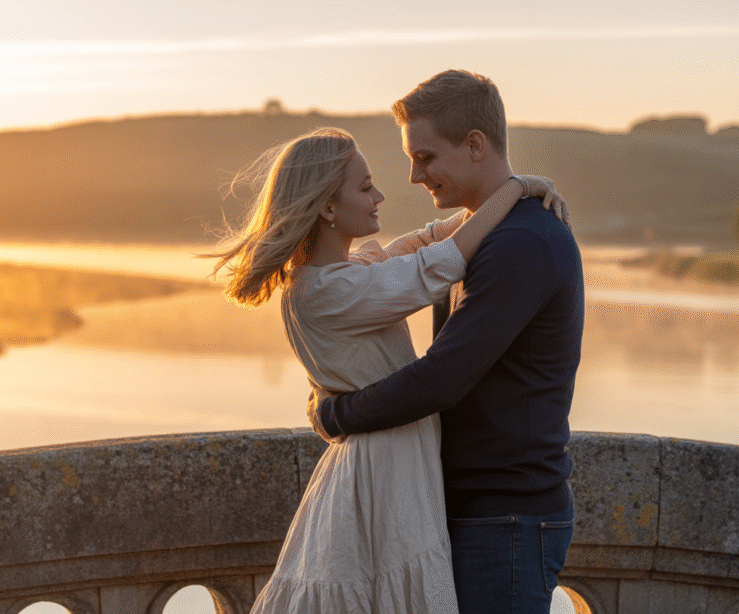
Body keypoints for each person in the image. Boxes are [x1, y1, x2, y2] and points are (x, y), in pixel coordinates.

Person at [207, 125, 567, 613]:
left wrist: (495, 201)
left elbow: (422, 245)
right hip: (387, 470)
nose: (378, 196)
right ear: (328, 208)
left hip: (384, 458)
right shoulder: (332, 292)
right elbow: (436, 265)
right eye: (364, 187)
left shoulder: (339, 277)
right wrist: (518, 188)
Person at [311, 70, 585, 614]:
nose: (415, 176)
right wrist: (519, 185)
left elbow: (442, 379)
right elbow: (394, 264)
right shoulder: (483, 234)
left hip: (506, 517)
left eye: (427, 157)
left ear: (476, 145)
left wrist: (336, 417)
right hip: (479, 510)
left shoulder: (521, 244)